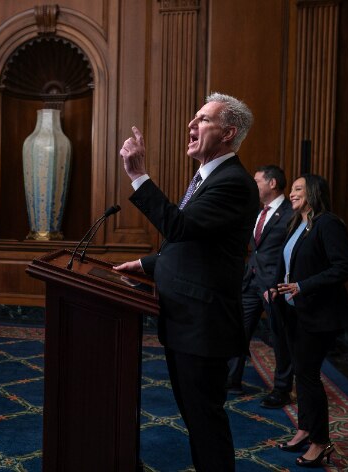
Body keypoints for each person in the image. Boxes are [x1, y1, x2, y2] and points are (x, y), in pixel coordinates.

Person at [114, 93, 259, 471]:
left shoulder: (233, 183)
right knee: (197, 421)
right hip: (186, 321)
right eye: (194, 118)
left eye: (203, 120)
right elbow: (195, 246)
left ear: (228, 133)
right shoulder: (206, 178)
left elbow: (178, 229)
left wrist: (137, 175)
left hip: (203, 326)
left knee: (205, 423)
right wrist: (146, 264)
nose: (191, 126)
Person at [267, 174, 348, 467]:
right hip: (295, 311)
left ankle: (320, 441)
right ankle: (305, 429)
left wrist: (302, 286)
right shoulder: (298, 224)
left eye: (298, 189)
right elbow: (289, 265)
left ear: (314, 192)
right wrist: (275, 288)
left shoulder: (327, 223)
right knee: (301, 375)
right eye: (291, 189)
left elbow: (343, 267)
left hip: (319, 314)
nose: (291, 193)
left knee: (307, 375)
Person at [226, 165, 294, 406]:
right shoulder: (257, 211)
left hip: (273, 286)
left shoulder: (290, 213)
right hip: (249, 283)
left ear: (272, 183)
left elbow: (291, 252)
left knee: (279, 337)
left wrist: (279, 283)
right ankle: (231, 379)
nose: (253, 185)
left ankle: (282, 389)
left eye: (257, 181)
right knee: (238, 331)